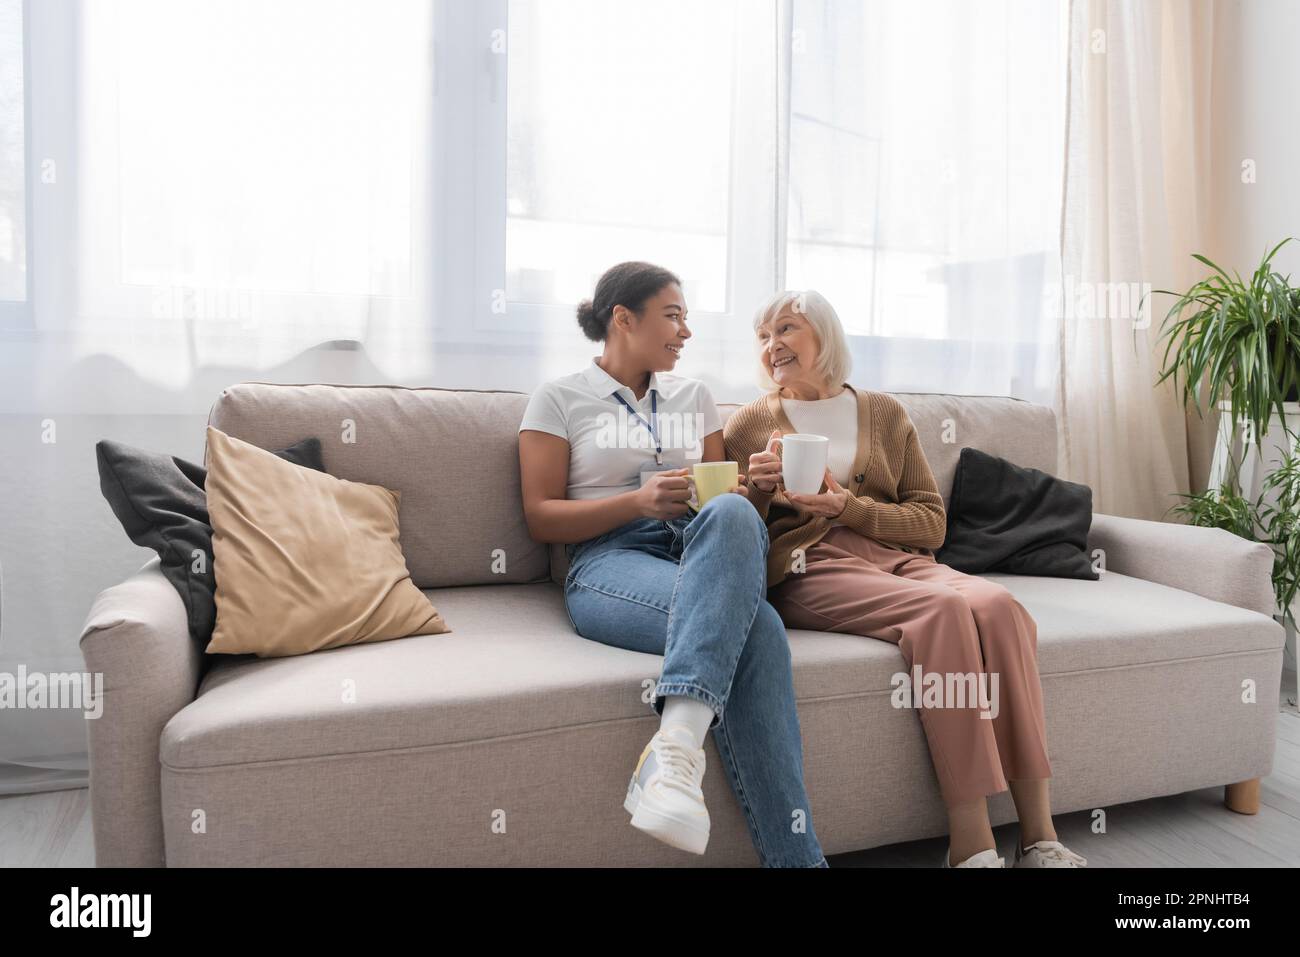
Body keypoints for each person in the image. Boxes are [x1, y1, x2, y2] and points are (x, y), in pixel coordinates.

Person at [723, 289, 1086, 868]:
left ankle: (1040, 837)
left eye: (786, 329)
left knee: (999, 607)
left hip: (898, 557)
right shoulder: (748, 423)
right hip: (808, 566)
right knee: (939, 613)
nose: (773, 346)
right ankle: (971, 845)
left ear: (825, 336)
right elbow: (734, 536)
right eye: (763, 336)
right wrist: (762, 494)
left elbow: (931, 523)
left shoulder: (884, 413)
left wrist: (850, 509)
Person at [517, 262, 828, 867]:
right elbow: (540, 518)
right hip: (611, 559)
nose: (686, 332)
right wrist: (635, 502)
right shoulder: (558, 398)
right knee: (758, 629)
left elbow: (730, 510)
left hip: (699, 544)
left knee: (735, 516)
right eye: (673, 316)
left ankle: (673, 751)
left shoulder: (695, 396)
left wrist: (758, 488)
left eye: (687, 318)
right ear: (623, 319)